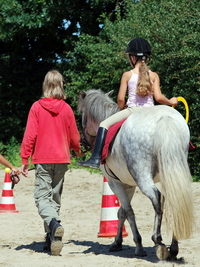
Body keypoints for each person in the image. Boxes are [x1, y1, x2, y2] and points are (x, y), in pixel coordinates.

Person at [78, 37, 178, 169]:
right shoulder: (153, 75)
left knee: (104, 124)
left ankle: (95, 159)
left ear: (132, 58)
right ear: (147, 58)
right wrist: (171, 101)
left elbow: (120, 99)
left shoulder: (127, 75)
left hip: (133, 110)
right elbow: (159, 98)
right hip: (151, 111)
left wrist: (121, 109)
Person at [20, 70, 84, 256]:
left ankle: (54, 225)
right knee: (54, 199)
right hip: (62, 159)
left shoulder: (37, 107)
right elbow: (74, 136)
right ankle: (51, 238)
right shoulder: (66, 108)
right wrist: (78, 150)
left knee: (41, 198)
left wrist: (25, 159)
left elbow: (30, 134)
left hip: (43, 159)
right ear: (61, 85)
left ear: (45, 85)